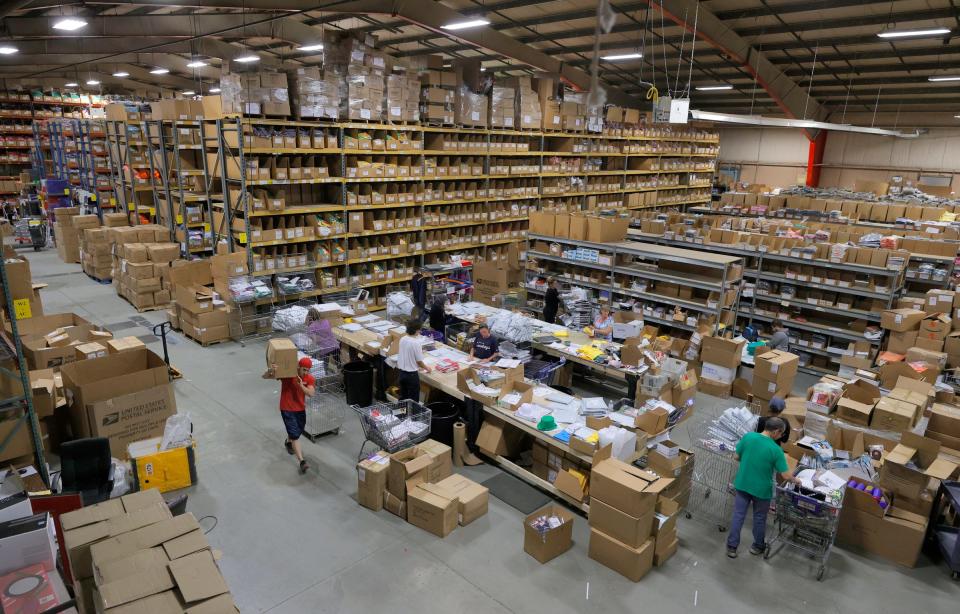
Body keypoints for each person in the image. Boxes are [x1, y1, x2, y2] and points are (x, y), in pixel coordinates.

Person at [727, 417, 800, 558]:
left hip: (742, 483)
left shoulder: (748, 437)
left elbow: (736, 456)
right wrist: (796, 480)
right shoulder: (776, 450)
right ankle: (758, 546)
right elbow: (785, 475)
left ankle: (732, 547)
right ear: (776, 432)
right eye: (781, 434)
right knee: (759, 518)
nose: (781, 436)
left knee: (738, 515)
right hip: (762, 490)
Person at [263, 356, 316, 474]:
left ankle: (288, 441)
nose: (305, 372)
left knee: (298, 430)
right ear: (298, 367)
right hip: (286, 408)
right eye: (303, 369)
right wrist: (271, 370)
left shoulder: (309, 378)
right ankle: (302, 461)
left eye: (307, 370)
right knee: (295, 435)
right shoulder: (287, 375)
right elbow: (265, 376)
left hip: (300, 409)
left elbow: (311, 393)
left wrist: (301, 385)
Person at [398, 318, 432, 402]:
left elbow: (407, 354)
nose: (420, 331)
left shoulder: (402, 339)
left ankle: (401, 414)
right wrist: (427, 368)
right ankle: (412, 415)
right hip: (411, 376)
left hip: (401, 374)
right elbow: (419, 361)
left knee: (403, 398)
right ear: (416, 330)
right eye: (419, 329)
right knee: (413, 401)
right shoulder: (416, 343)